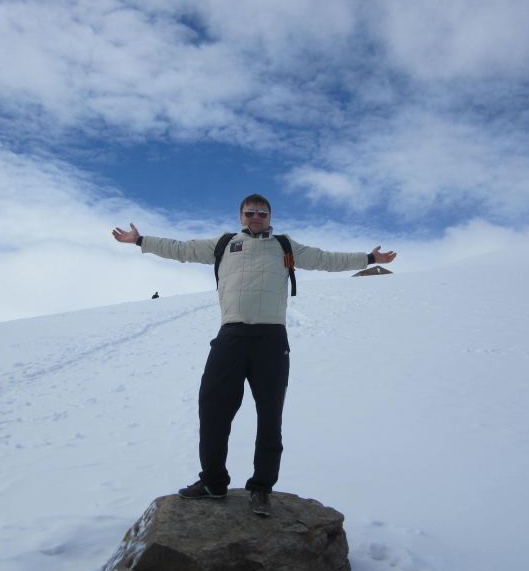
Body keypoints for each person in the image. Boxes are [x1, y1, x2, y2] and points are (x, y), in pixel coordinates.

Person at [112, 193, 396, 516]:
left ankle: (261, 489)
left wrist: (368, 258)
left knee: (270, 416)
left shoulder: (285, 246)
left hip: (271, 340)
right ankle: (213, 482)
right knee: (212, 409)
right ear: (241, 216)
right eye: (250, 212)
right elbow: (181, 249)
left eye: (262, 212)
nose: (256, 217)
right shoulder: (224, 244)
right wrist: (141, 241)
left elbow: (325, 259)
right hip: (231, 337)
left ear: (270, 216)